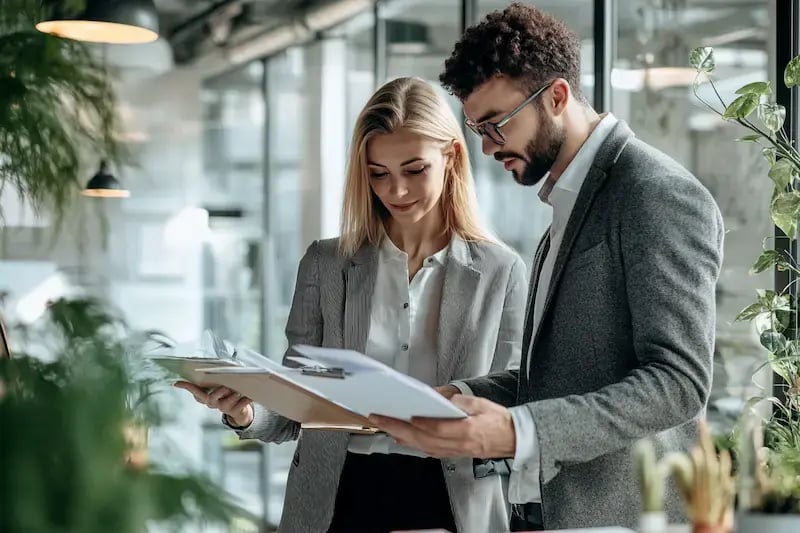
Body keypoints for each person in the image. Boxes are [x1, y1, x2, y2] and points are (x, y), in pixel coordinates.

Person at [369, 4, 725, 532]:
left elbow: (678, 382)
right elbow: (563, 376)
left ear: (556, 97)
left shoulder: (655, 195)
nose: (486, 146)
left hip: (622, 517)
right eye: (476, 127)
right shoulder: (566, 203)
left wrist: (519, 430)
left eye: (495, 124)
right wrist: (463, 397)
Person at [175, 76, 527, 533]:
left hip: (452, 499)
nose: (396, 191)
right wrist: (244, 411)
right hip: (339, 496)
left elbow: (516, 398)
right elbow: (295, 406)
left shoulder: (501, 271)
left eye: (414, 170)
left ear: (452, 157)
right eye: (379, 174)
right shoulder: (326, 264)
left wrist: (451, 401)